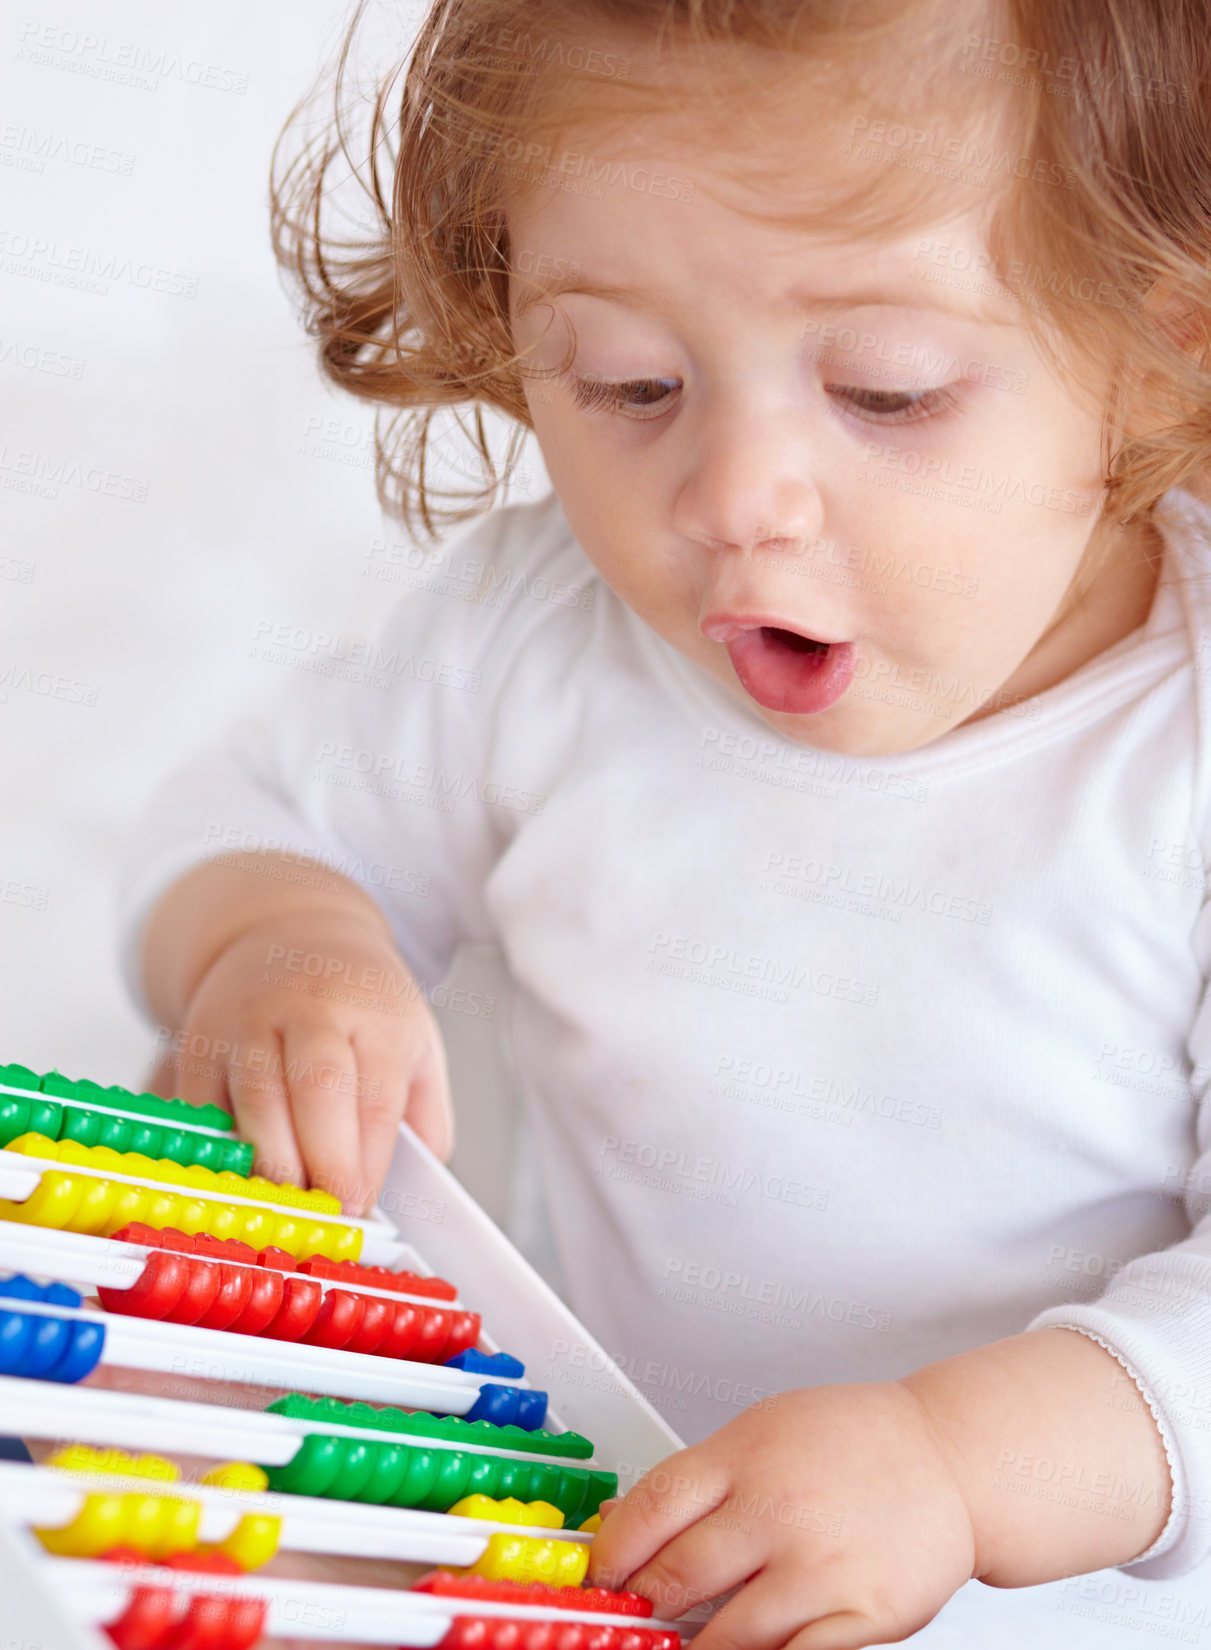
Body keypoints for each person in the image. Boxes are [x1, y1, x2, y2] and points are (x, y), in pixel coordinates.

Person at [117, 0, 1211, 1643]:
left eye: (886, 389)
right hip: (579, 1554)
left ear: (1160, 337)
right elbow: (250, 813)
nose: (730, 498)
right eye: (633, 381)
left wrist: (956, 1468)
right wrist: (284, 942)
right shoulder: (538, 633)